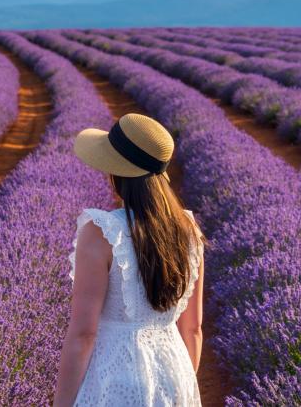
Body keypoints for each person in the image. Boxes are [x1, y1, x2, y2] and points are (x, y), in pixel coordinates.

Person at [53, 113, 205, 407]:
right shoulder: (189, 231)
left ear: (117, 172)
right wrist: (182, 381)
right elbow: (193, 328)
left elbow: (83, 334)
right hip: (174, 371)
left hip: (115, 377)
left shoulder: (103, 232)